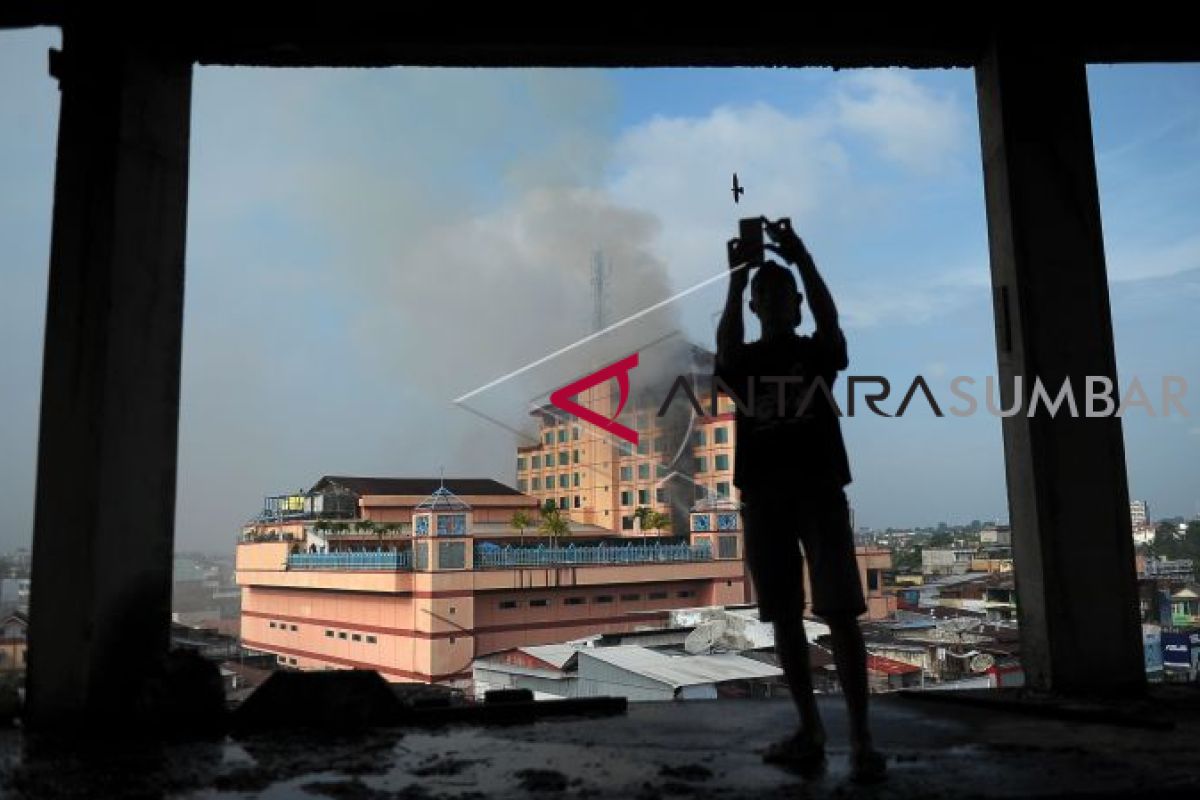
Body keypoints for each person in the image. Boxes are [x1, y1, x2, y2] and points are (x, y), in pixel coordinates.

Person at [715, 217, 886, 783]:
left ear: (795, 305)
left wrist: (803, 258)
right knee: (784, 616)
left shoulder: (816, 353)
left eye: (779, 292)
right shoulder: (746, 363)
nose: (773, 300)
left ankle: (860, 738)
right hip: (766, 499)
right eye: (765, 294)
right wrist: (739, 278)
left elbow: (832, 321)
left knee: (839, 612)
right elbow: (725, 345)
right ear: (761, 307)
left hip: (816, 493)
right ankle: (812, 729)